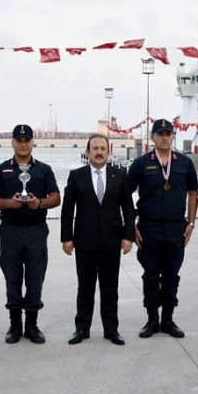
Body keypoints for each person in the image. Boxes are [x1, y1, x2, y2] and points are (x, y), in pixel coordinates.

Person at [0, 124, 61, 344]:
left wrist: (41, 203)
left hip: (36, 231)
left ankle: (32, 324)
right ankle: (14, 325)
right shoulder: (2, 170)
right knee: (12, 278)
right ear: (13, 143)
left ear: (32, 143)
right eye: (19, 140)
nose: (23, 144)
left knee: (35, 278)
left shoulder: (43, 169)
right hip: (10, 230)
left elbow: (56, 197)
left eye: (27, 140)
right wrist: (10, 203)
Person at [127, 119, 198, 339]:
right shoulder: (140, 164)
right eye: (160, 134)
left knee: (171, 274)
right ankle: (152, 319)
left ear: (172, 136)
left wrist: (191, 222)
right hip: (148, 227)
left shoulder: (184, 163)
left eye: (168, 133)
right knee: (150, 274)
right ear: (153, 138)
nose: (165, 137)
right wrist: (131, 226)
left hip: (176, 227)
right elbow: (125, 195)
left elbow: (193, 192)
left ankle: (168, 319)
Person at [61, 134, 135, 346]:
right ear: (88, 152)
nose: (99, 152)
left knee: (110, 288)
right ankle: (81, 329)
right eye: (95, 148)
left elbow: (128, 209)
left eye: (103, 148)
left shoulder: (119, 175)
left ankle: (111, 330)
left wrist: (128, 236)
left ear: (108, 152)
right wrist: (67, 237)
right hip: (84, 242)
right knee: (85, 288)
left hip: (112, 242)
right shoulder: (77, 176)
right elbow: (67, 209)